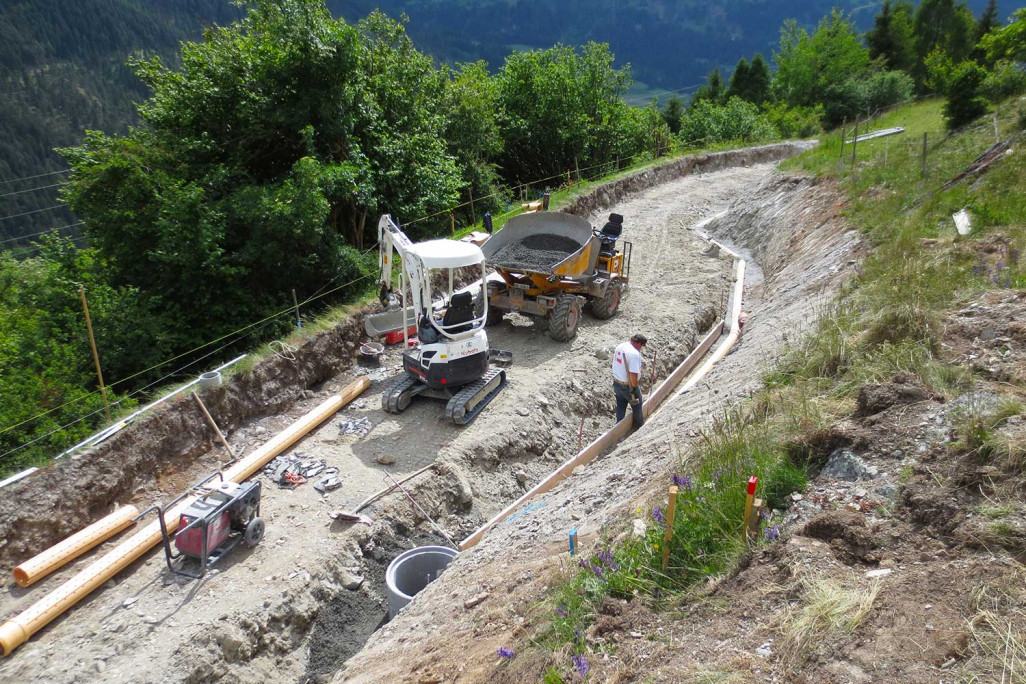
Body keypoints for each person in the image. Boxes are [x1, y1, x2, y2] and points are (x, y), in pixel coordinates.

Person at [611, 333, 647, 428]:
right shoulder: (634, 354)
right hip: (628, 385)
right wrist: (634, 388)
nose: (641, 348)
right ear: (639, 344)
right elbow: (633, 374)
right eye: (642, 346)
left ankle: (619, 427)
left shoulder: (621, 346)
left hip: (617, 382)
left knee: (621, 404)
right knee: (637, 405)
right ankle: (638, 426)